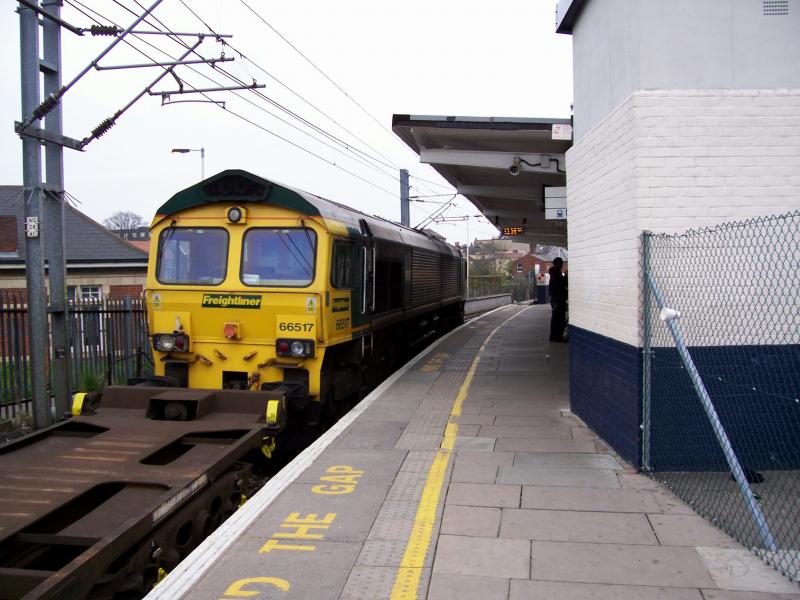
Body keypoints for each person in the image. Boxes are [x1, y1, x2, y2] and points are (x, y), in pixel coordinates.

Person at [548, 257, 567, 342]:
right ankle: (558, 337)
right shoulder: (556, 272)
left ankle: (553, 336)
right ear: (557, 263)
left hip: (555, 298)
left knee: (555, 318)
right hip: (558, 299)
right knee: (559, 318)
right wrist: (566, 276)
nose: (562, 264)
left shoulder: (554, 272)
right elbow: (561, 284)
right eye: (561, 263)